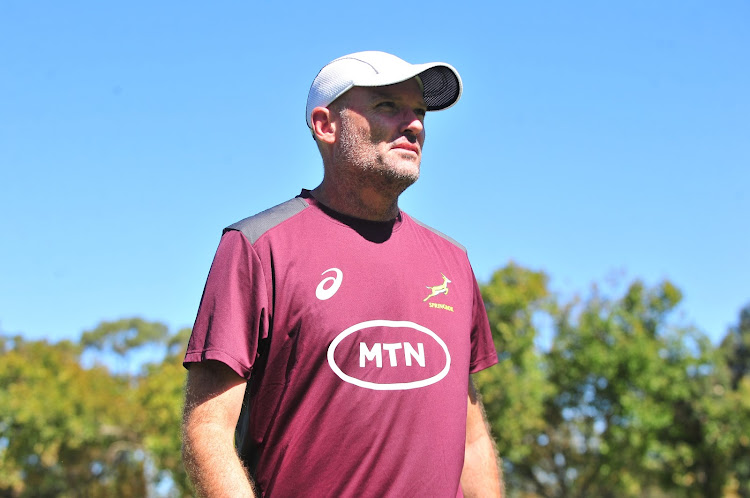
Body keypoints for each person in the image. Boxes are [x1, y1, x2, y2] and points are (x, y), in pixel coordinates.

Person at [181, 51, 503, 497]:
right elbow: (208, 427)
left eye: (421, 112)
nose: (414, 124)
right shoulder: (257, 247)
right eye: (388, 106)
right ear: (325, 125)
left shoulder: (453, 263)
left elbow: (473, 439)